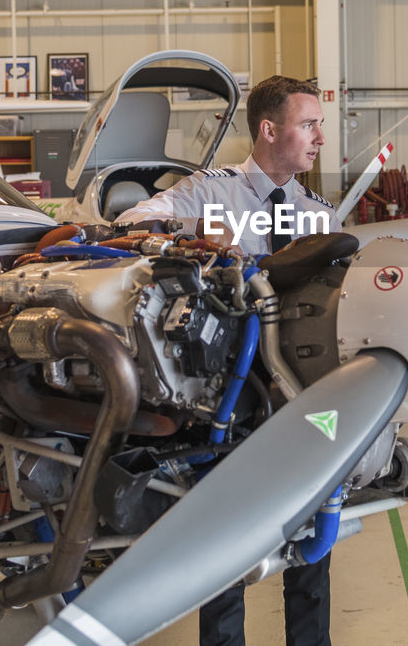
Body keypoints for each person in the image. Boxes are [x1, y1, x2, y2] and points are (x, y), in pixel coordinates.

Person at [116, 75, 341, 646]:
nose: (320, 136)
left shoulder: (319, 211)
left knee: (313, 531)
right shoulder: (210, 191)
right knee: (222, 533)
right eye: (308, 124)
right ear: (270, 129)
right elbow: (127, 223)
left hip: (303, 387)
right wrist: (197, 231)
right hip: (228, 391)